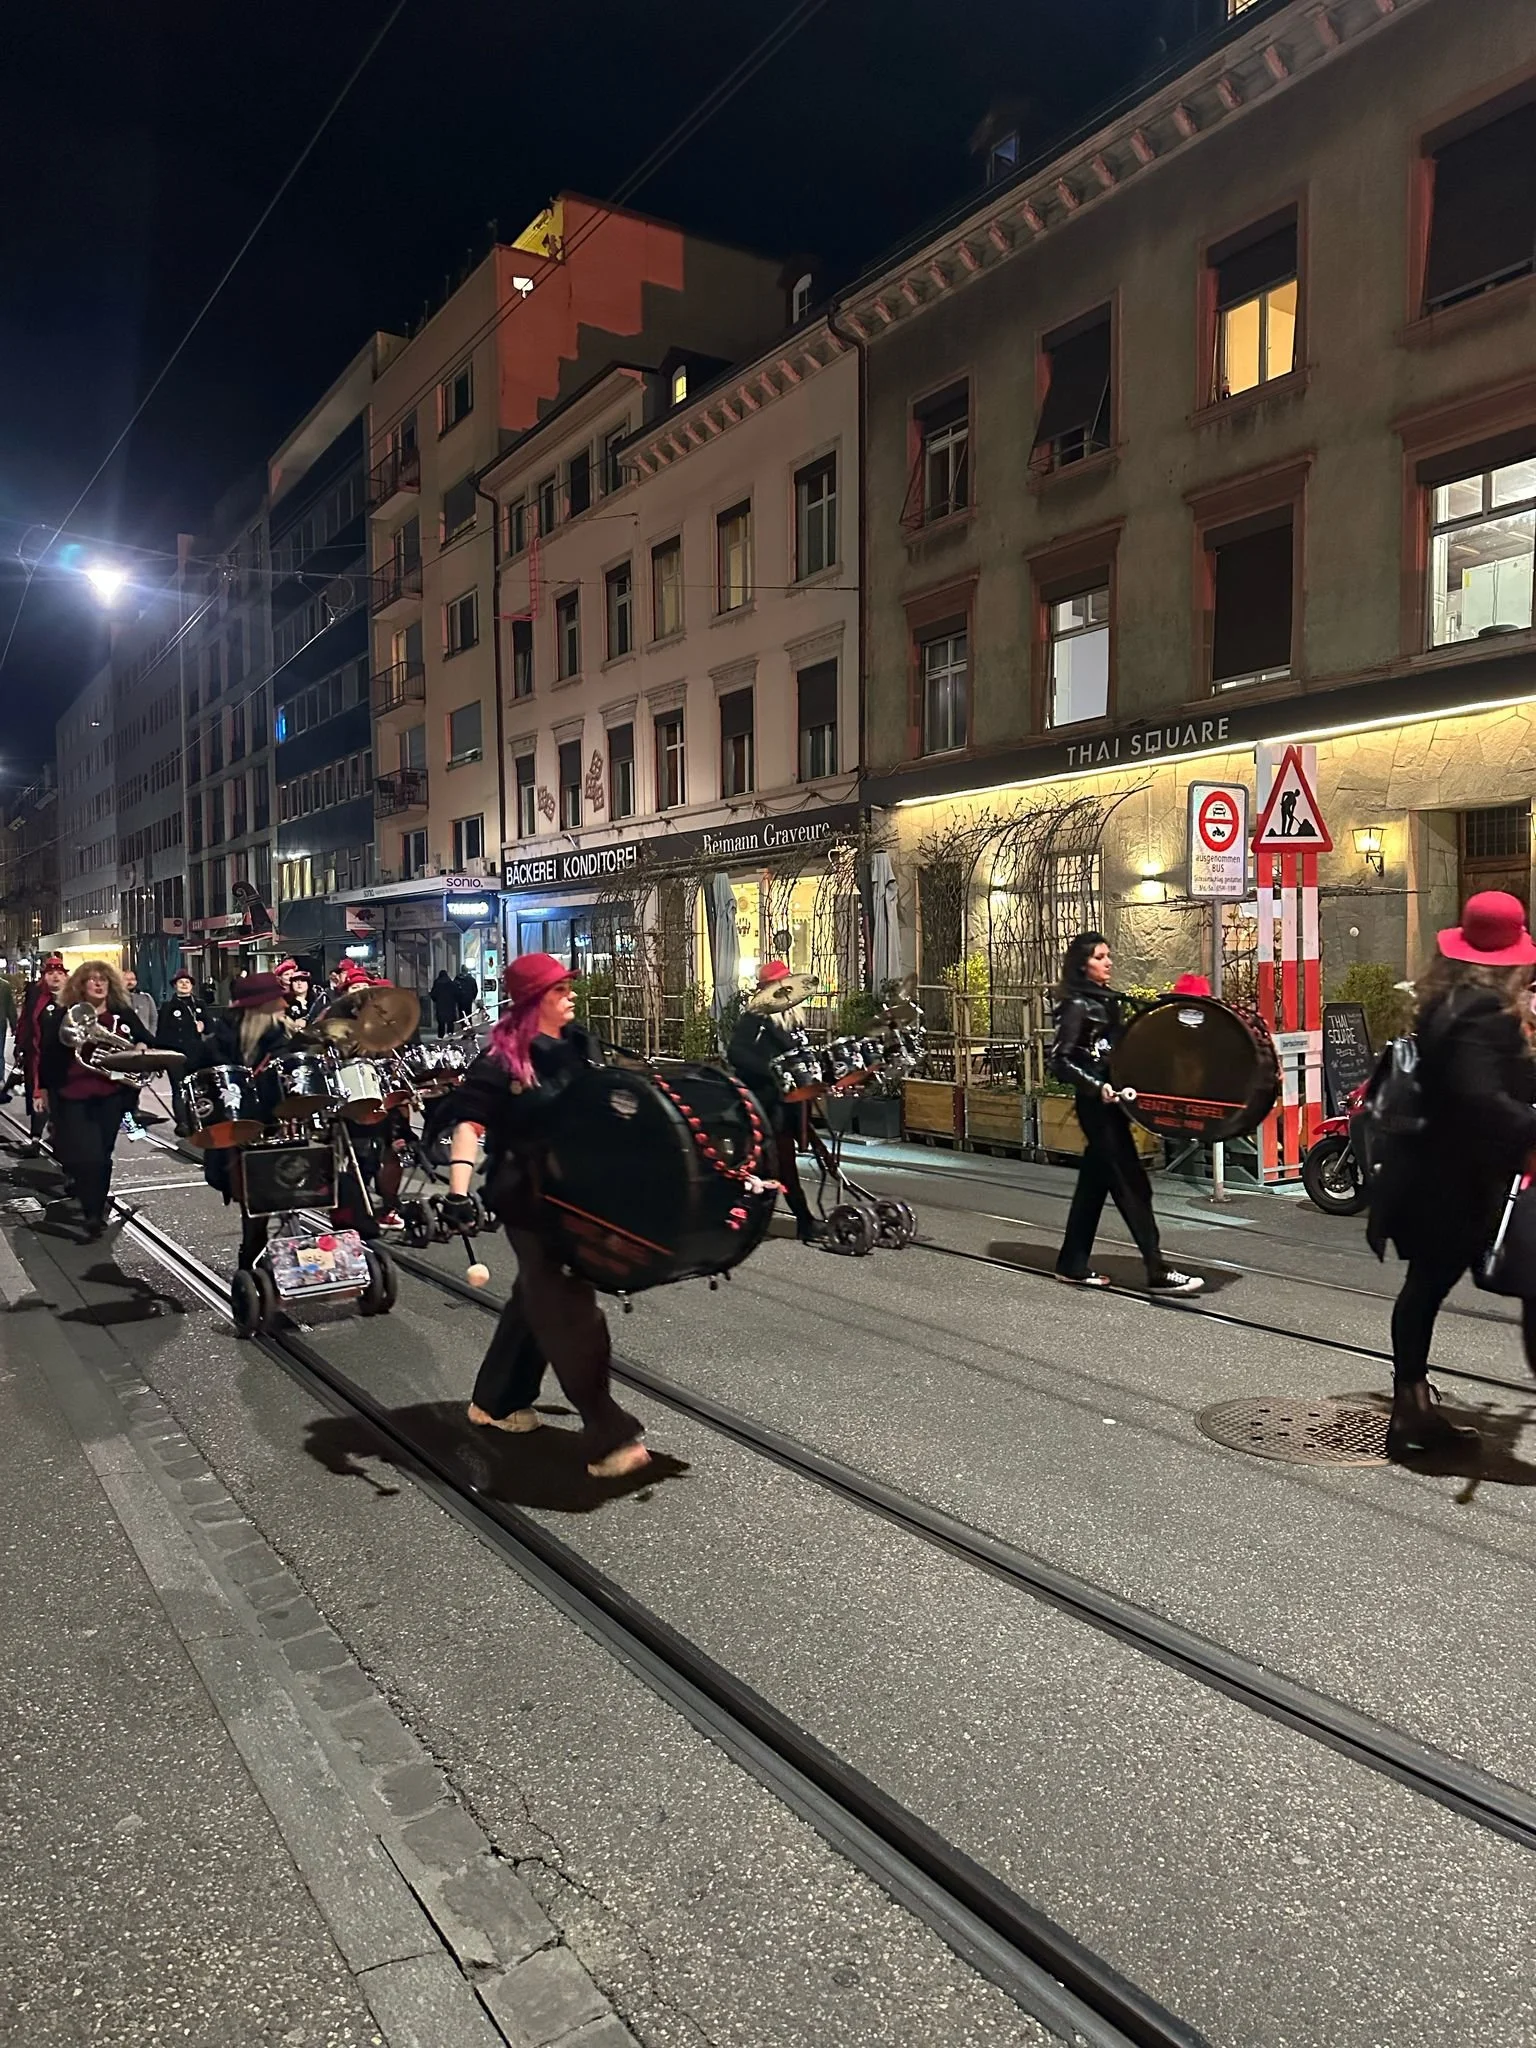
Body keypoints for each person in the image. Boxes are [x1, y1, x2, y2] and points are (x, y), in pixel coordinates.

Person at [441, 951, 649, 1479]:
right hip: (527, 1198)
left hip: (575, 1192)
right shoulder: (501, 1062)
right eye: (560, 990)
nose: (571, 996)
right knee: (567, 1306)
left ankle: (495, 1400)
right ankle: (607, 1429)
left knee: (534, 1297)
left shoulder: (579, 1047)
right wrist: (460, 1192)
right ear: (536, 1001)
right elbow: (469, 1124)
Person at [1368, 892, 1536, 1458]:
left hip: (1430, 1178)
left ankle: (1411, 1406)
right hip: (1458, 1185)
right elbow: (1478, 1096)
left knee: (1425, 1288)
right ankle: (1411, 1409)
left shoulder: (1449, 1001)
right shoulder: (1486, 1012)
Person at [1049, 931, 1203, 1295]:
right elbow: (1060, 1058)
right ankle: (1156, 1268)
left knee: (1092, 1187)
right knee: (1132, 1185)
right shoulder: (1078, 1005)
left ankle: (1071, 1263)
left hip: (1115, 1104)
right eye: (1100, 956)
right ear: (1082, 964)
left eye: (1108, 955)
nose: (1108, 962)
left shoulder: (1107, 1002)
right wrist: (1096, 1085)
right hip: (1098, 1108)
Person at [37, 960, 154, 1239]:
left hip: (110, 1094)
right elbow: (49, 1053)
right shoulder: (66, 1014)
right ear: (81, 984)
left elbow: (145, 1037)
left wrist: (140, 1046)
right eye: (92, 979)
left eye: (104, 979)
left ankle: (96, 1205)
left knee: (102, 1154)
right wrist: (42, 1091)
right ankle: (91, 1210)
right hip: (73, 1094)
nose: (99, 984)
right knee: (85, 1155)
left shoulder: (121, 1013)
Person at [191, 972, 299, 1269]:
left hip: (283, 1128)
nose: (284, 1007)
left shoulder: (286, 1040)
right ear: (260, 1009)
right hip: (240, 1136)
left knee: (303, 1184)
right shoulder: (216, 1045)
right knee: (256, 1202)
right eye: (277, 1003)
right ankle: (251, 1259)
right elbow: (196, 1086)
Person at [727, 960, 825, 1243]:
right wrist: (770, 1070)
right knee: (782, 1164)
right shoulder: (755, 1019)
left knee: (772, 1165)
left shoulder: (792, 1021)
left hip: (791, 1103)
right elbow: (737, 1054)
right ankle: (804, 1220)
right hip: (768, 1105)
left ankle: (754, 1215)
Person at [17, 954, 69, 1156]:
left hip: (65, 1061)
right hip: (37, 1056)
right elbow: (26, 1022)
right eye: (51, 973)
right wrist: (21, 1046)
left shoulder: (74, 999)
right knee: (37, 1094)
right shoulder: (36, 997)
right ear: (44, 976)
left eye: (59, 973)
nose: (55, 977)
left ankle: (59, 1136)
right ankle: (35, 1136)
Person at [154, 970, 208, 1126]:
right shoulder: (168, 1007)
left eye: (187, 982)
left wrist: (204, 1026)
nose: (184, 984)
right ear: (175, 986)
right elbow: (161, 1032)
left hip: (196, 1053)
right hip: (175, 1055)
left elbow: (211, 1027)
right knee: (179, 1089)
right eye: (180, 982)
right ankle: (183, 1122)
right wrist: (160, 1057)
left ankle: (199, 1119)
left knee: (199, 1088)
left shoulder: (199, 1004)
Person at [123, 967, 158, 1037]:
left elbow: (154, 1019)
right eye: (127, 979)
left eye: (132, 979)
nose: (130, 982)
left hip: (145, 1039)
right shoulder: (117, 999)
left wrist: (151, 1035)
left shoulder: (146, 998)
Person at [431, 969, 460, 1038]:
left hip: (440, 1005)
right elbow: (457, 993)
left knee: (441, 1022)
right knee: (450, 1021)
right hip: (450, 1005)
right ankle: (450, 1033)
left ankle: (441, 1035)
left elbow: (433, 994)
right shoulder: (451, 983)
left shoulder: (437, 983)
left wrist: (436, 1000)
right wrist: (455, 1001)